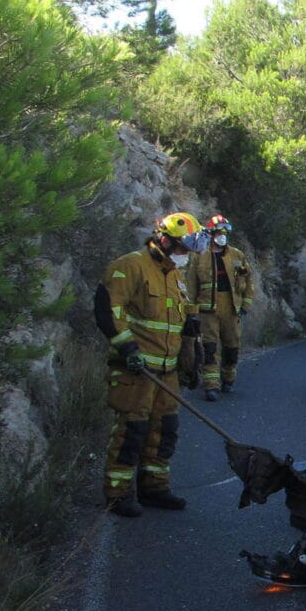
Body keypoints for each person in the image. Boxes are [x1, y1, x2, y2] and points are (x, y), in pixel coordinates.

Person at [94, 212, 211, 517]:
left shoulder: (174, 273)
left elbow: (179, 318)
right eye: (181, 248)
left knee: (164, 431)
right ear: (163, 239)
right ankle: (117, 495)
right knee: (132, 431)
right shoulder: (130, 266)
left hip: (166, 372)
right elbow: (109, 311)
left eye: (188, 250)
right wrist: (127, 348)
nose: (185, 255)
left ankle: (154, 488)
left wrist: (191, 354)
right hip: (136, 370)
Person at [184, 214, 255, 401]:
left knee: (232, 347)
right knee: (209, 348)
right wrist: (191, 312)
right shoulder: (200, 256)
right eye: (219, 232)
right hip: (207, 311)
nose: (222, 235)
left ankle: (229, 378)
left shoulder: (237, 255)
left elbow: (248, 281)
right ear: (212, 233)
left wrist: (246, 304)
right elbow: (191, 285)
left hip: (231, 309)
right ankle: (211, 385)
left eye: (225, 232)